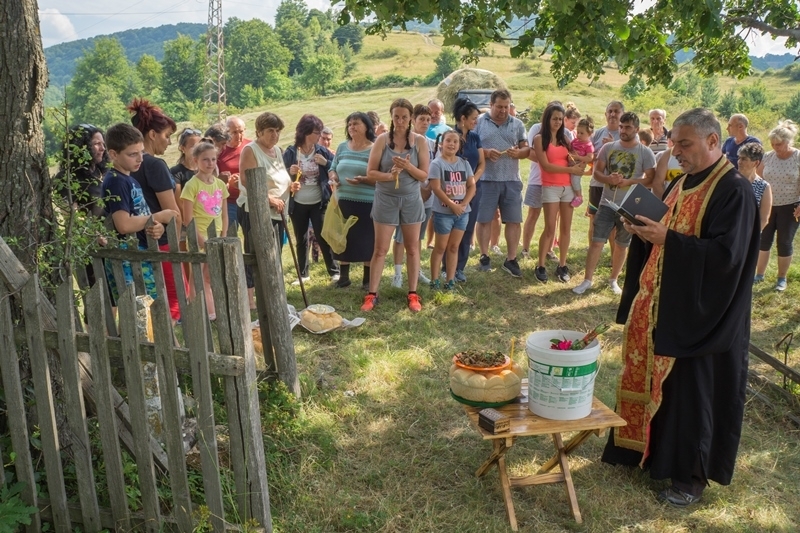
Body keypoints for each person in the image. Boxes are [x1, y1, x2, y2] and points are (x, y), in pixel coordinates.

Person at [602, 107, 759, 508]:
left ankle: (689, 478)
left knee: (694, 393)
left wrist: (668, 239)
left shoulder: (734, 190)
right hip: (663, 302)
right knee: (661, 384)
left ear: (712, 141)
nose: (676, 152)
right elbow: (665, 230)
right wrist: (643, 231)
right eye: (673, 143)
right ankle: (642, 452)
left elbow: (728, 258)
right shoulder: (682, 182)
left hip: (704, 314)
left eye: (684, 144)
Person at [573, 112, 656, 295]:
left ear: (636, 128)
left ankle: (613, 280)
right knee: (596, 241)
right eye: (621, 126)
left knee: (622, 244)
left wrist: (630, 182)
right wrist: (609, 178)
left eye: (627, 127)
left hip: (630, 206)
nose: (623, 130)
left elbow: (651, 180)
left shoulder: (645, 152)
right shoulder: (608, 147)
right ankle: (587, 280)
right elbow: (596, 173)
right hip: (606, 202)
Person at [362, 98, 431, 313]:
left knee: (412, 248)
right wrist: (389, 175)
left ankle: (412, 293)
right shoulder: (382, 140)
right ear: (391, 117)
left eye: (404, 117)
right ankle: (372, 295)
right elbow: (370, 173)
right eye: (396, 117)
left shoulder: (420, 141)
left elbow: (424, 175)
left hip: (411, 199)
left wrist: (408, 166)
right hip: (386, 199)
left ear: (410, 117)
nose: (400, 121)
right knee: (380, 249)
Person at [101, 123, 179, 309]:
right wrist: (159, 215)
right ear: (113, 154)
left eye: (141, 152)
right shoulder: (116, 182)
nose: (140, 159)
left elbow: (140, 216)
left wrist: (156, 225)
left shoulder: (130, 179)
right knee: (142, 313)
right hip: (128, 257)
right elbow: (124, 224)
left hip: (139, 253)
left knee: (148, 312)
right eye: (132, 154)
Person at [128, 98, 184, 323]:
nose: (169, 142)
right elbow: (173, 213)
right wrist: (176, 241)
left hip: (136, 241)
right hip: (161, 242)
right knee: (172, 301)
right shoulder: (154, 165)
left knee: (145, 303)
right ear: (152, 134)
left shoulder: (126, 165)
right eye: (166, 136)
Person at [238, 112, 301, 305]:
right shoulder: (251, 150)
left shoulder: (278, 151)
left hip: (278, 212)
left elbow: (279, 179)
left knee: (274, 255)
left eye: (277, 131)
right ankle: (251, 299)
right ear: (259, 132)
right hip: (255, 211)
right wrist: (269, 199)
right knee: (255, 255)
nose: (274, 135)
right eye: (270, 131)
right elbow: (246, 180)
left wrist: (291, 186)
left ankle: (271, 294)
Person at [474, 89, 529, 277]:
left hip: (511, 180)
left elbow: (526, 149)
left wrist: (519, 153)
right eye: (499, 107)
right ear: (491, 105)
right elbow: (471, 149)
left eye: (506, 107)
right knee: (483, 219)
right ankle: (484, 255)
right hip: (486, 179)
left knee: (514, 220)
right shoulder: (479, 123)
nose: (503, 111)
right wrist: (486, 153)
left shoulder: (518, 124)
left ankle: (511, 259)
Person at [283, 114, 339, 283]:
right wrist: (289, 171)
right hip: (298, 202)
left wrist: (325, 163)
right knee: (301, 239)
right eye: (316, 132)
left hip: (318, 202)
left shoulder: (322, 151)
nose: (319, 136)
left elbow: (337, 168)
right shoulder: (292, 152)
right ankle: (303, 274)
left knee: (323, 236)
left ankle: (334, 271)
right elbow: (280, 175)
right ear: (306, 132)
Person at [533, 102, 586, 282]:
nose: (557, 122)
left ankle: (562, 265)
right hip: (550, 187)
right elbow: (546, 166)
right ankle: (540, 265)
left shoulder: (566, 138)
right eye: (554, 118)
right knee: (549, 228)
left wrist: (579, 164)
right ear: (547, 118)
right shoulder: (540, 139)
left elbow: (572, 158)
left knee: (566, 228)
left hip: (568, 188)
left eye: (559, 119)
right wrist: (571, 171)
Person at [180, 141, 229, 320]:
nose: (210, 163)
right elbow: (187, 218)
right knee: (196, 277)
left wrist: (222, 238)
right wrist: (202, 241)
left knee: (209, 277)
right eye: (205, 160)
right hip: (198, 239)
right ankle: (198, 313)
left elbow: (224, 216)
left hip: (215, 239)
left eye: (213, 159)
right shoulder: (191, 186)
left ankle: (211, 313)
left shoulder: (220, 185)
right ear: (195, 161)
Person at [328, 112, 376, 289]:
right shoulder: (342, 147)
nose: (352, 127)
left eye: (356, 123)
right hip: (344, 200)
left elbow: (379, 176)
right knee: (343, 237)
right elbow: (333, 168)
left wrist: (363, 179)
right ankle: (344, 278)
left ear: (367, 127)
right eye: (349, 124)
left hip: (367, 202)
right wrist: (333, 176)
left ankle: (367, 280)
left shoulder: (374, 148)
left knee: (367, 240)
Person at [391, 104, 435, 286]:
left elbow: (433, 169)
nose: (425, 123)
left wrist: (430, 187)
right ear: (413, 120)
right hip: (409, 195)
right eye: (421, 119)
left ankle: (415, 271)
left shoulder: (432, 143)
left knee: (418, 237)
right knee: (401, 236)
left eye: (428, 120)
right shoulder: (407, 142)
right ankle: (398, 273)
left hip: (428, 194)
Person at [754, 120, 800, 290]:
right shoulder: (767, 156)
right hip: (768, 204)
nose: (775, 147)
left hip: (790, 207)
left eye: (779, 144)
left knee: (784, 241)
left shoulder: (798, 157)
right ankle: (759, 274)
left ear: (788, 142)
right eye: (773, 144)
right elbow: (758, 179)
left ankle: (781, 278)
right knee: (763, 239)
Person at [428, 130, 476, 290]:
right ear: (441, 144)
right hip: (443, 213)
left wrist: (463, 205)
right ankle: (434, 280)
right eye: (448, 140)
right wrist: (452, 204)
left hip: (462, 214)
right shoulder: (437, 164)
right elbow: (436, 188)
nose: (451, 144)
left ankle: (450, 280)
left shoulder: (464, 163)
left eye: (455, 141)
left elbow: (471, 186)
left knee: (454, 247)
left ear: (459, 145)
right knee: (440, 247)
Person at [444, 97, 485, 283]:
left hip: (472, 190)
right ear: (463, 118)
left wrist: (472, 182)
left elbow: (482, 163)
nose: (476, 121)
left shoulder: (476, 137)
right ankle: (446, 267)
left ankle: (460, 267)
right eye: (473, 118)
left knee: (467, 228)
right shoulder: (450, 137)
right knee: (449, 228)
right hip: (453, 190)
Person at [218, 117, 250, 237]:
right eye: (234, 132)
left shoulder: (250, 147)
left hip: (248, 199)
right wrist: (227, 182)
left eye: (241, 131)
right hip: (230, 201)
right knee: (230, 236)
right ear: (227, 133)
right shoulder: (221, 150)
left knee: (251, 235)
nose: (238, 135)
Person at [736, 142, 772, 232]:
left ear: (756, 163)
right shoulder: (730, 180)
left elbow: (764, 219)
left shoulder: (764, 187)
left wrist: (751, 237)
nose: (739, 161)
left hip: (748, 233)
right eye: (739, 158)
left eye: (744, 159)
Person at [171, 128, 202, 204]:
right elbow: (179, 202)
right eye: (193, 146)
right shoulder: (176, 172)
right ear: (182, 148)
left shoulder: (205, 169)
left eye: (199, 146)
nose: (197, 150)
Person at [569, 116, 595, 208]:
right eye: (578, 132)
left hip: (579, 167)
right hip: (570, 165)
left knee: (575, 180)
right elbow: (569, 149)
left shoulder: (588, 145)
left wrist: (578, 157)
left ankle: (579, 196)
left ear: (589, 134)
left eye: (582, 133)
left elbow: (590, 158)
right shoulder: (574, 141)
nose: (578, 135)